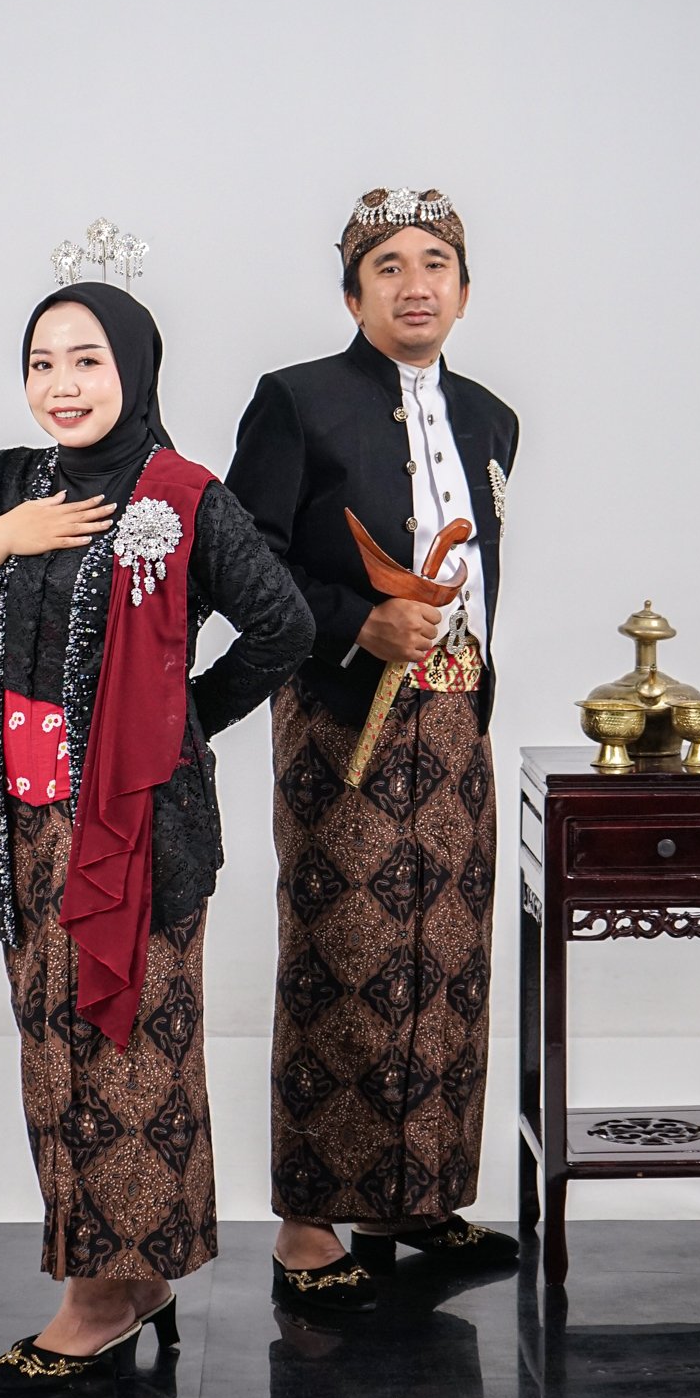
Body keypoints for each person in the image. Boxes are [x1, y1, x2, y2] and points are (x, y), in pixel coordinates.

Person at [0, 251, 313, 1395]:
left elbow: (283, 627)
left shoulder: (182, 496)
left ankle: (95, 1300)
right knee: (52, 1048)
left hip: (138, 828)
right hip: (22, 826)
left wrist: (179, 723)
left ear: (134, 369)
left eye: (86, 359)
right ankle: (130, 1281)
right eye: (42, 362)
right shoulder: (4, 484)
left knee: (131, 1052)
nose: (62, 383)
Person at [226, 187, 520, 1311]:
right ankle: (307, 1224)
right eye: (387, 265)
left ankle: (412, 1195)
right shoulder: (296, 401)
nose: (414, 284)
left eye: (435, 262)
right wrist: (358, 620)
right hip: (339, 717)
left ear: (464, 289)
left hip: (455, 720)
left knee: (445, 957)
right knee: (342, 952)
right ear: (353, 296)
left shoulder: (491, 418)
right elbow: (240, 560)